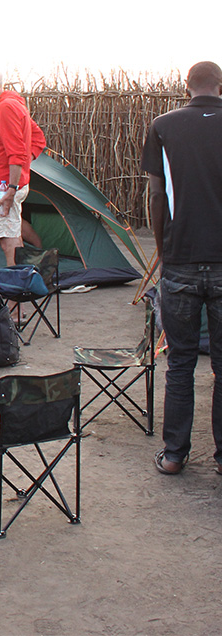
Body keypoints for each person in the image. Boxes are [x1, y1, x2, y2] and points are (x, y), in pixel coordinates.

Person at [141, 61, 222, 476]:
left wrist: (163, 250)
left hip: (180, 262)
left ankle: (174, 455)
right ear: (220, 86)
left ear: (185, 86)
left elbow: (157, 196)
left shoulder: (164, 126)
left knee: (180, 364)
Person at [0, 64, 46, 267]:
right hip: (8, 183)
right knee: (12, 230)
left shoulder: (5, 108)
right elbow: (38, 139)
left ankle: (15, 285)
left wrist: (11, 188)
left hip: (4, 186)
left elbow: (16, 152)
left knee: (7, 241)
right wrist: (23, 166)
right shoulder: (12, 104)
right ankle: (24, 276)